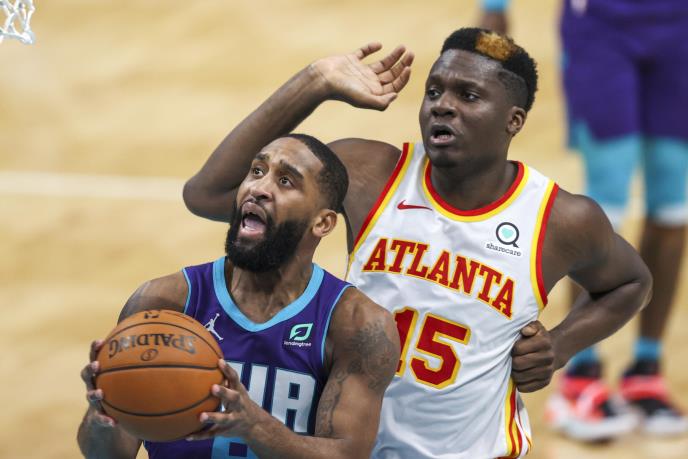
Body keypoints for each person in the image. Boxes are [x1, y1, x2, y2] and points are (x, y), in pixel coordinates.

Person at [182, 28, 652, 457]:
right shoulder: (369, 175)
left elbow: (631, 283)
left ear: (514, 120)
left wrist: (561, 345)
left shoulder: (559, 219)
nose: (442, 106)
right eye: (434, 91)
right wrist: (316, 82)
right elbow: (210, 194)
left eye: (468, 95)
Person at [77, 134, 400, 458]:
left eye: (285, 181)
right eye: (257, 171)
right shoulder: (166, 302)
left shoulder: (355, 324)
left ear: (323, 222)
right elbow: (108, 456)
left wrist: (254, 426)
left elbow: (347, 454)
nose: (258, 188)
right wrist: (104, 413)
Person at [481, 0, 688, 441]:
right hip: (602, 26)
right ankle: (580, 374)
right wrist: (494, 7)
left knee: (674, 205)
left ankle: (646, 370)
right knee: (607, 202)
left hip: (680, 27)